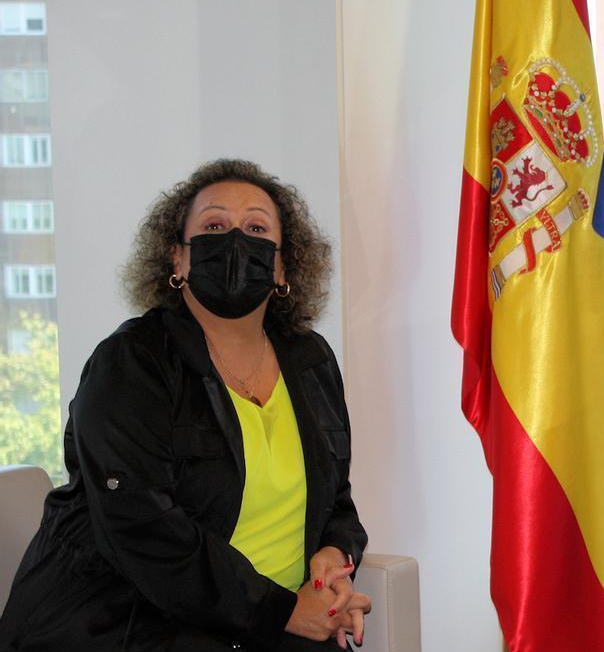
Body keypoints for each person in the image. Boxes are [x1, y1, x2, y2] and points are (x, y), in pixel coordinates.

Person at [0, 159, 370, 651]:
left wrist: (335, 552)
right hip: (134, 623)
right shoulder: (132, 362)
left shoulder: (310, 360)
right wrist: (281, 611)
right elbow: (143, 528)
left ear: (282, 265)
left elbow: (336, 497)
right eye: (214, 226)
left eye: (257, 228)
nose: (236, 240)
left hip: (274, 625)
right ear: (178, 259)